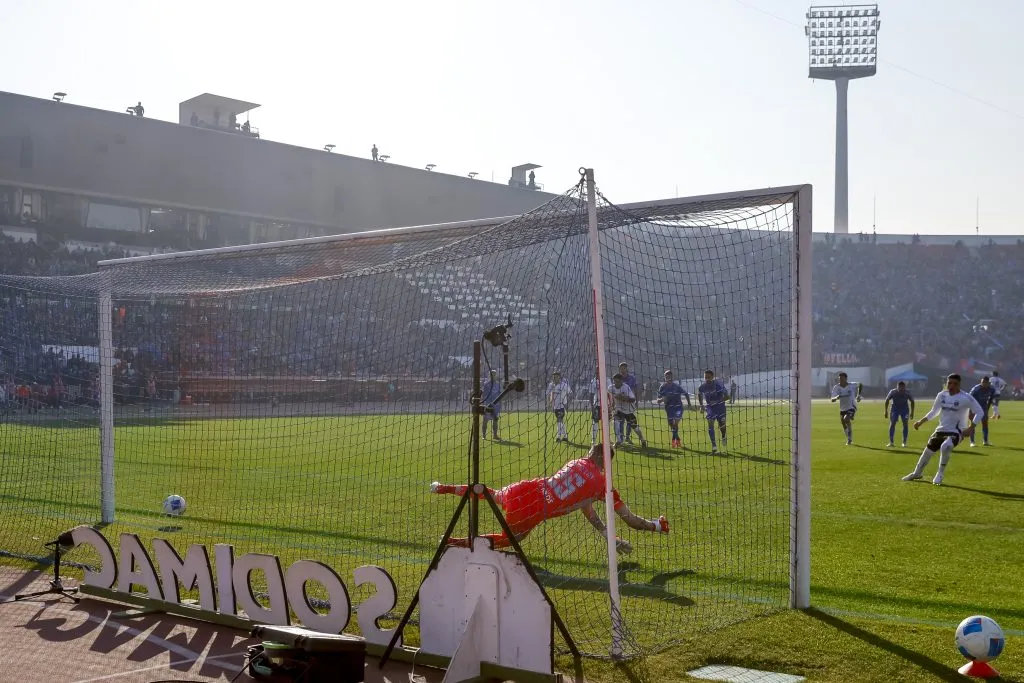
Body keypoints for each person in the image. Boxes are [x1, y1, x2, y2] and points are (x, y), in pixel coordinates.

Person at [431, 443, 669, 551]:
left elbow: (584, 506)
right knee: (511, 540)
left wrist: (610, 537)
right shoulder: (603, 485)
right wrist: (655, 526)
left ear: (591, 454)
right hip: (535, 510)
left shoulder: (577, 462)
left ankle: (444, 487)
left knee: (490, 494)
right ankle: (452, 542)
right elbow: (629, 519)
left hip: (527, 488)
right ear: (606, 462)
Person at [902, 374, 986, 486]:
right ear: (946, 383)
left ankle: (939, 474)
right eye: (949, 383)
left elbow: (980, 411)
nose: (951, 386)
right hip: (940, 430)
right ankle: (917, 473)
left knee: (946, 446)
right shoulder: (941, 395)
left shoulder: (966, 397)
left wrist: (971, 427)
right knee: (928, 452)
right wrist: (921, 422)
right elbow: (934, 411)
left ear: (959, 385)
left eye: (954, 384)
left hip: (957, 431)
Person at [609, 373, 647, 448]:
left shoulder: (626, 387)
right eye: (615, 381)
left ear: (622, 381)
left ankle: (642, 439)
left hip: (628, 410)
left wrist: (623, 398)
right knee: (615, 422)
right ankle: (619, 441)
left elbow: (633, 399)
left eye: (618, 381)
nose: (616, 383)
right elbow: (609, 395)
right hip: (619, 409)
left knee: (635, 427)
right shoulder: (611, 388)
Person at [657, 370, 692, 448]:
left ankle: (676, 441)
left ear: (672, 377)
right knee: (672, 425)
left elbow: (686, 394)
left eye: (670, 376)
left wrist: (689, 404)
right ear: (664, 377)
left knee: (675, 423)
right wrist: (662, 399)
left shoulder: (677, 386)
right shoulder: (662, 387)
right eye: (667, 376)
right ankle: (676, 439)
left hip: (678, 407)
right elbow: (658, 400)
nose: (668, 378)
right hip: (669, 408)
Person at [698, 369, 729, 453]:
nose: (707, 379)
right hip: (710, 409)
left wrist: (717, 401)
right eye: (705, 377)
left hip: (720, 408)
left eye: (708, 377)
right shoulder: (702, 386)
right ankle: (714, 446)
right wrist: (701, 406)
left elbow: (727, 396)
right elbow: (699, 393)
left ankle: (723, 436)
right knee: (710, 424)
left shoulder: (718, 385)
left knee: (722, 426)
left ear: (712, 377)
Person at [829, 371, 861, 445]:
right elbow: (832, 399)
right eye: (839, 379)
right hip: (842, 408)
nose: (840, 380)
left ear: (846, 379)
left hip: (852, 407)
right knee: (843, 423)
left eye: (842, 379)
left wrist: (858, 395)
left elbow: (860, 385)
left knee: (846, 419)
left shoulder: (851, 385)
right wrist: (836, 397)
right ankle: (849, 437)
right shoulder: (836, 387)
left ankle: (849, 440)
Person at [884, 380, 915, 447]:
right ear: (897, 387)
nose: (901, 389)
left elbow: (912, 401)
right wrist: (886, 411)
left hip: (904, 409)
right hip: (895, 408)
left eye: (903, 388)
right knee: (893, 423)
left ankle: (904, 442)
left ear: (905, 387)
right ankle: (891, 442)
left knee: (905, 424)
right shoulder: (893, 392)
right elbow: (887, 400)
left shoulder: (908, 392)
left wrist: (912, 412)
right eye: (900, 388)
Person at [968, 376, 996, 447]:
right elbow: (969, 397)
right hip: (974, 407)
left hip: (983, 407)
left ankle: (985, 441)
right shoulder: (976, 389)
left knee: (985, 423)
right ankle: (972, 442)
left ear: (988, 383)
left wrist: (987, 408)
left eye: (985, 382)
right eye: (982, 382)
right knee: (972, 424)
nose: (983, 384)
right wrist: (971, 409)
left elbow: (991, 399)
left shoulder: (992, 389)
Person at [547, 371, 572, 443]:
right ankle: (565, 437)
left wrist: (568, 403)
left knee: (559, 420)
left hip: (562, 406)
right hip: (555, 406)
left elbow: (570, 393)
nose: (555, 378)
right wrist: (550, 403)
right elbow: (550, 394)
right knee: (560, 421)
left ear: (559, 377)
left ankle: (558, 437)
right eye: (554, 376)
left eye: (557, 376)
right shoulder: (551, 385)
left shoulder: (564, 385)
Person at [617, 362, 638, 443]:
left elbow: (635, 389)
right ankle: (621, 438)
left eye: (624, 368)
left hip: (630, 403)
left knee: (630, 421)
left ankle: (627, 437)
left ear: (626, 369)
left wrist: (636, 400)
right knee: (621, 421)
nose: (622, 370)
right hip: (620, 403)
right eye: (621, 368)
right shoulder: (617, 378)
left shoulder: (632, 378)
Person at [481, 369, 502, 440]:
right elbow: (483, 395)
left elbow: (500, 394)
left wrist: (500, 403)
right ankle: (484, 435)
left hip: (496, 405)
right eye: (492, 374)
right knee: (485, 420)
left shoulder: (498, 384)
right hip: (488, 405)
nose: (493, 376)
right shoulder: (486, 385)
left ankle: (495, 435)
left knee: (495, 420)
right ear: (489, 376)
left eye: (494, 374)